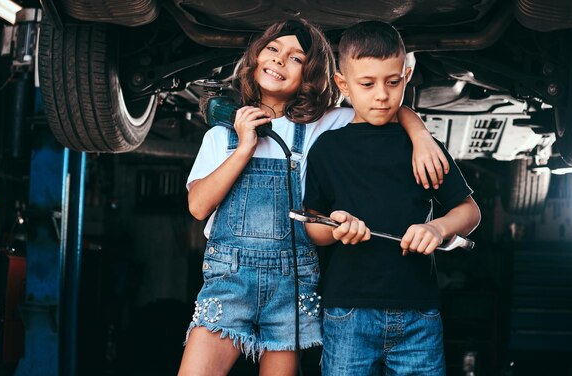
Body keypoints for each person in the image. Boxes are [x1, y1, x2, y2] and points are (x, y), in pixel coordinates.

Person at [178, 19, 449, 376]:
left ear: (311, 74)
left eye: (295, 58)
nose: (279, 61)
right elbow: (198, 206)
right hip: (229, 283)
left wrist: (421, 134)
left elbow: (380, 101)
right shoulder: (220, 137)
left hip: (291, 289)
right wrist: (244, 147)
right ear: (256, 56)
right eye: (273, 49)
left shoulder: (321, 125)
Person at [303, 21, 482, 376]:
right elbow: (312, 224)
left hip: (419, 313)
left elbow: (470, 211)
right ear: (343, 84)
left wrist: (437, 228)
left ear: (407, 74)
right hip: (348, 313)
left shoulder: (424, 150)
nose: (381, 95)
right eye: (367, 84)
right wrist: (335, 228)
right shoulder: (327, 148)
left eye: (393, 81)